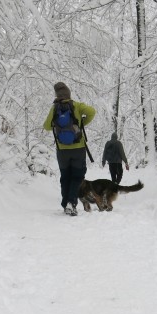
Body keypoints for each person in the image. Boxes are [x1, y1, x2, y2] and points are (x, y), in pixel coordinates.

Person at [43, 82, 96, 216]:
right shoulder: (76, 105)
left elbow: (47, 127)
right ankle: (71, 203)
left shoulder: (54, 108)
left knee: (65, 177)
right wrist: (81, 123)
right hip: (78, 148)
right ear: (68, 93)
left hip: (62, 150)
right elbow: (92, 112)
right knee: (77, 176)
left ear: (57, 95)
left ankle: (65, 202)